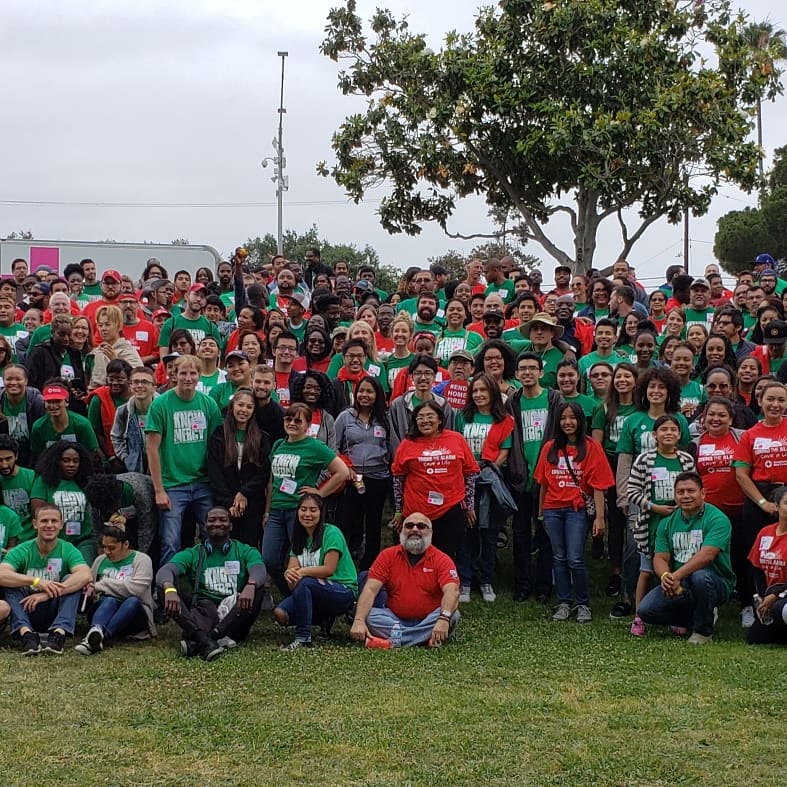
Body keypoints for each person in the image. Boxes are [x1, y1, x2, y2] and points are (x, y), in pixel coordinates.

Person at [534, 402, 614, 623]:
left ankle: (583, 603)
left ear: (580, 420)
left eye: (572, 418)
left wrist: (600, 518)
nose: (567, 422)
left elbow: (598, 486)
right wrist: (540, 513)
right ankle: (563, 602)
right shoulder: (549, 447)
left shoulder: (591, 447)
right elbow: (543, 484)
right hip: (552, 509)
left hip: (576, 510)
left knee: (575, 558)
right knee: (558, 557)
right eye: (563, 418)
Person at [156, 506, 267, 661]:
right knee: (163, 588)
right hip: (205, 611)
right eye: (212, 520)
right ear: (204, 526)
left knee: (258, 589)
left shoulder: (244, 550)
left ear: (231, 526)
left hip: (236, 613)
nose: (217, 523)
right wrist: (169, 589)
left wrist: (251, 585)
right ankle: (207, 640)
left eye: (223, 520)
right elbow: (165, 571)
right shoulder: (194, 553)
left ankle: (201, 640)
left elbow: (259, 570)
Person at [637, 472, 735, 644]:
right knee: (646, 610)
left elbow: (707, 556)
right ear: (675, 496)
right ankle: (702, 614)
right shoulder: (666, 523)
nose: (686, 496)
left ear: (702, 493)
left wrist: (676, 575)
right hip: (680, 582)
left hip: (714, 580)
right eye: (680, 492)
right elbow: (660, 558)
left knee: (700, 577)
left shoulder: (718, 519)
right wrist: (666, 577)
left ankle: (702, 632)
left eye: (691, 491)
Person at [263, 403, 349, 596]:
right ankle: (289, 595)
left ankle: (303, 598)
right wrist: (267, 511)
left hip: (299, 511)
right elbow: (271, 481)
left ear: (307, 425)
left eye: (298, 420)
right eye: (288, 419)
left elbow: (342, 471)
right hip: (276, 510)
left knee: (301, 558)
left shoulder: (315, 447)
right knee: (269, 559)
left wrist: (319, 493)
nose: (292, 423)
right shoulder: (278, 445)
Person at [145, 354, 223, 564]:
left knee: (211, 534)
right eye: (183, 373)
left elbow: (216, 446)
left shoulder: (209, 404)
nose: (188, 378)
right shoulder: (160, 405)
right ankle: (167, 581)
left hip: (203, 482)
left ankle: (208, 576)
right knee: (170, 540)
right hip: (173, 484)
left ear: (199, 375)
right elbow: (152, 448)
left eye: (193, 373)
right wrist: (159, 490)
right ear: (174, 375)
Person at [626, 415, 696, 637]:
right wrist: (653, 507)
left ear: (679, 434)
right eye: (663, 429)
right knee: (646, 571)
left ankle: (675, 617)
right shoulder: (644, 459)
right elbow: (632, 491)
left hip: (680, 524)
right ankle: (639, 616)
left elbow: (694, 488)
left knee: (674, 572)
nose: (668, 433)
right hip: (651, 523)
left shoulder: (686, 460)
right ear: (654, 435)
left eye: (673, 429)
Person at [350, 512, 459, 649]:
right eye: (409, 526)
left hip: (429, 619)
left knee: (452, 614)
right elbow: (370, 589)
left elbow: (452, 591)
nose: (414, 529)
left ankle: (392, 642)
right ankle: (424, 639)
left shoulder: (442, 559)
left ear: (430, 532)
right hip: (394, 619)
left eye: (421, 526)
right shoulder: (387, 555)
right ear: (402, 531)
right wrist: (359, 620)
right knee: (369, 616)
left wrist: (443, 619)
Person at [506, 352, 563, 602]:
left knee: (546, 533)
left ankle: (543, 585)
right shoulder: (512, 402)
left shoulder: (554, 399)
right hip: (520, 476)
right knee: (520, 533)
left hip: (548, 478)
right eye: (523, 369)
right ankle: (522, 584)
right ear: (517, 374)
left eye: (532, 368)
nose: (527, 372)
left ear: (541, 372)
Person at [391, 401, 479, 560]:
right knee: (415, 557)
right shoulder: (407, 444)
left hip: (450, 510)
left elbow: (470, 473)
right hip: (417, 512)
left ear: (440, 419)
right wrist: (398, 511)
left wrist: (469, 505)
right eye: (420, 417)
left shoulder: (456, 439)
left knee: (446, 557)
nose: (425, 421)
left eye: (430, 416)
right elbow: (398, 479)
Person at [454, 374, 515, 603]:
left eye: (483, 390)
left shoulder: (504, 420)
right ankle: (465, 580)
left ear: (492, 393)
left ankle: (486, 579)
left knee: (489, 532)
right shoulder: (462, 416)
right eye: (475, 391)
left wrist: (487, 471)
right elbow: (457, 444)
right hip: (465, 478)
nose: (479, 395)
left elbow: (505, 451)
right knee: (466, 531)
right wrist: (469, 473)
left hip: (490, 479)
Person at [0, 504, 91, 655]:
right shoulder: (22, 550)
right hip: (27, 608)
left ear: (61, 524)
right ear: (35, 524)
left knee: (72, 579)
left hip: (54, 608)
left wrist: (46, 594)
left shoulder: (68, 548)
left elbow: (85, 575)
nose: (49, 525)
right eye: (44, 521)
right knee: (12, 584)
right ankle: (26, 635)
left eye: (54, 521)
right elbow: (2, 574)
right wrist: (36, 581)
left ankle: (58, 634)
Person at [273, 493, 358, 651]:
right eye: (303, 509)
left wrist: (302, 572)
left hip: (342, 589)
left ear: (321, 512)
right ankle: (323, 618)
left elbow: (329, 569)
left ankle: (303, 638)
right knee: (281, 614)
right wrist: (289, 575)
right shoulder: (299, 538)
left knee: (305, 582)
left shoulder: (331, 532)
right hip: (313, 589)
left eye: (313, 510)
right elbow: (293, 585)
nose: (307, 514)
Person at [733, 381, 787, 625]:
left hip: (786, 494)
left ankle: (780, 602)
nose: (775, 404)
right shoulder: (750, 434)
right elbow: (741, 474)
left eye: (781, 400)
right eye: (770, 399)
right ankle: (751, 604)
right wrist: (763, 502)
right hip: (759, 496)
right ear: (760, 401)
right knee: (755, 554)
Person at [75, 519, 156, 655]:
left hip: (133, 615)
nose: (107, 552)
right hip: (103, 609)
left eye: (112, 548)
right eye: (104, 547)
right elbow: (91, 584)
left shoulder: (142, 560)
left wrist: (102, 585)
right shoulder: (100, 560)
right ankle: (96, 632)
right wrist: (89, 589)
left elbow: (136, 589)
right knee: (110, 600)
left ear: (126, 544)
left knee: (132, 601)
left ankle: (97, 637)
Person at [334, 376, 391, 569]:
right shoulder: (345, 417)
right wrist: (345, 468)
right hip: (351, 477)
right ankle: (342, 561)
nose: (364, 395)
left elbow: (391, 446)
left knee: (373, 522)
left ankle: (370, 566)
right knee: (345, 520)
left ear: (377, 395)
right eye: (361, 391)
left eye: (369, 391)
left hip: (378, 477)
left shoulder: (385, 418)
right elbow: (333, 447)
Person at [207, 388, 271, 548]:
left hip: (252, 504)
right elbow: (215, 473)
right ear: (232, 406)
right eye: (240, 405)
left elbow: (263, 472)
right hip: (225, 504)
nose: (244, 410)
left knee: (248, 548)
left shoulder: (262, 438)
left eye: (249, 407)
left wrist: (244, 493)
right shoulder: (218, 436)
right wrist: (230, 502)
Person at [31, 440, 98, 562]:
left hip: (83, 540)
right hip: (53, 540)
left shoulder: (86, 482)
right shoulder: (44, 481)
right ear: (56, 461)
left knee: (83, 568)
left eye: (75, 461)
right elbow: (38, 512)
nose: (71, 464)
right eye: (66, 460)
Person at [746, 485, 787, 644]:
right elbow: (757, 569)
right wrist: (762, 599)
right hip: (771, 595)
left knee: (780, 609)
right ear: (776, 506)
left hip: (781, 595)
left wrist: (776, 596)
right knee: (755, 638)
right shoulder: (765, 533)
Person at [29, 381, 99, 466]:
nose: (53, 406)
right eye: (49, 402)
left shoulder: (83, 425)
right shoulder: (38, 427)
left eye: (57, 401)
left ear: (66, 402)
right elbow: (37, 456)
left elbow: (91, 453)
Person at [110, 365, 157, 474]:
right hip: (136, 469)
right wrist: (126, 458)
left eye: (145, 382)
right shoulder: (123, 412)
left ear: (154, 387)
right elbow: (116, 437)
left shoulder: (164, 409)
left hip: (163, 468)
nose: (139, 386)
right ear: (130, 385)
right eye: (135, 382)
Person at [0, 364, 45, 467]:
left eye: (18, 379)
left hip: (31, 451)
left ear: (26, 381)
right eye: (9, 379)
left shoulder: (38, 402)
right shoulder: (0, 400)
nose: (13, 383)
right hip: (5, 452)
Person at [89, 305, 143, 389]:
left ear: (118, 326)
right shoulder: (96, 351)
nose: (103, 329)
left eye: (107, 325)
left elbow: (138, 377)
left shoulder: (128, 350)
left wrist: (115, 361)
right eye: (100, 325)